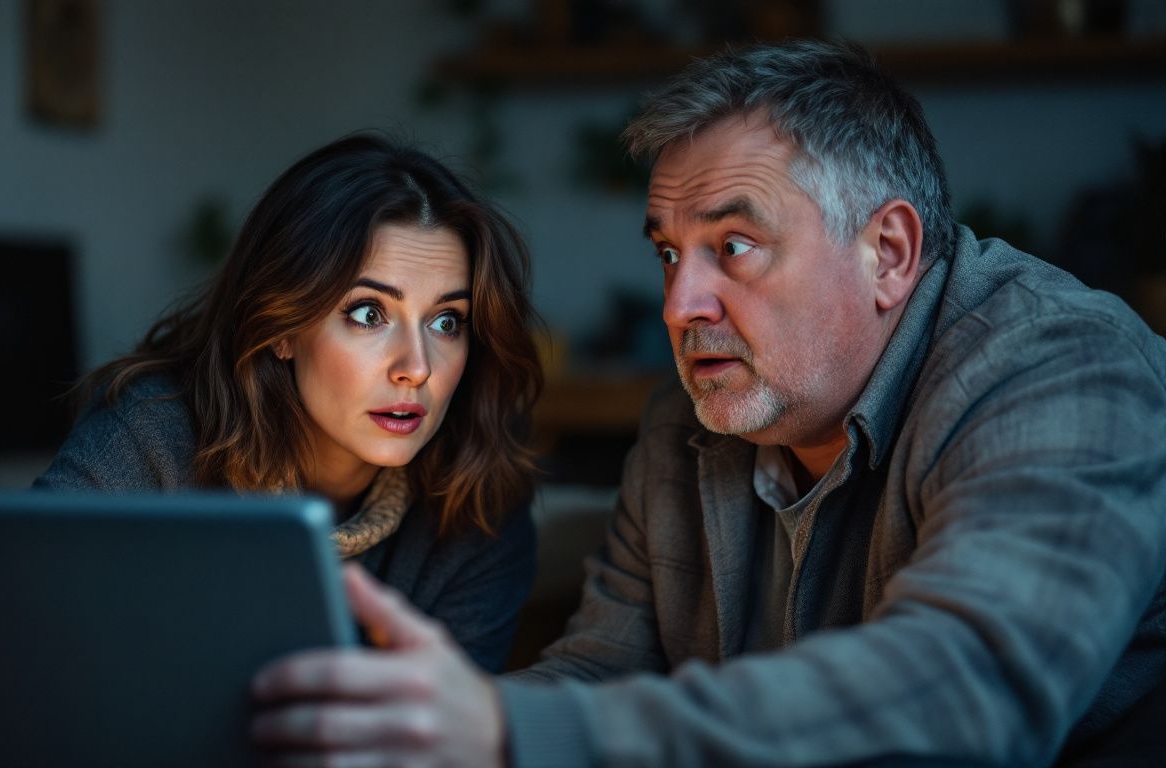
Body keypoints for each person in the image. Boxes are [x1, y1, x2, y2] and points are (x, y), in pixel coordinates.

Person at [242, 40, 1166, 767]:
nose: (681, 305)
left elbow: (974, 686)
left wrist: (507, 734)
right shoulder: (689, 425)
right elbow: (604, 673)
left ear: (887, 252)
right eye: (669, 254)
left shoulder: (1062, 368)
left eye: (733, 245)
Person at [0, 134, 545, 765]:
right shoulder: (155, 434)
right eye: (368, 313)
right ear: (282, 327)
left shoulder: (481, 513)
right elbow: (6, 630)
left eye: (448, 322)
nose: (416, 366)